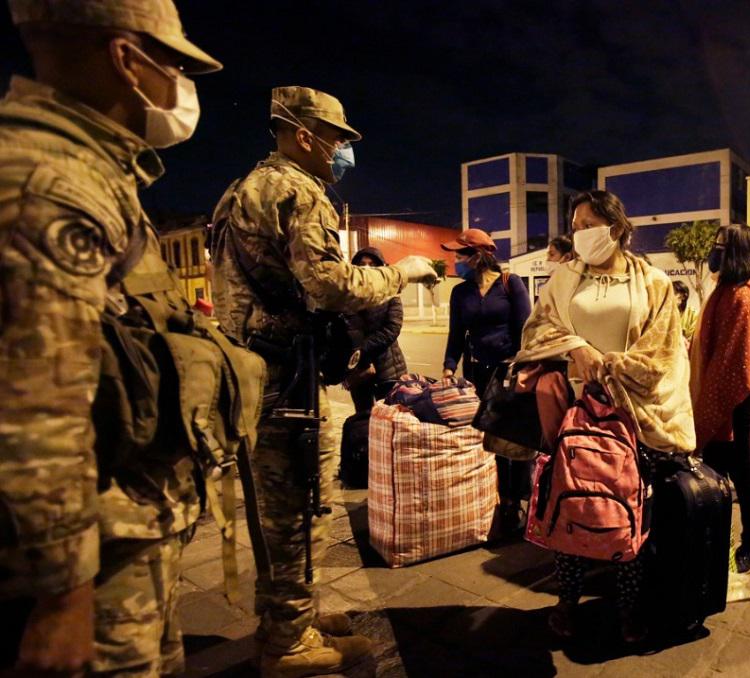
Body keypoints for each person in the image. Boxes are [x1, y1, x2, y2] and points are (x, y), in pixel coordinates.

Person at [0, 2, 258, 675]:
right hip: (98, 555)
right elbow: (35, 409)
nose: (179, 82)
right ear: (126, 60)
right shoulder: (51, 185)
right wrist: (62, 597)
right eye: (173, 62)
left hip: (127, 532)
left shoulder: (88, 173)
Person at [210, 86, 435, 676]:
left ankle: (293, 617)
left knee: (277, 509)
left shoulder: (242, 189)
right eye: (337, 139)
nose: (342, 152)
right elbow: (329, 287)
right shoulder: (298, 191)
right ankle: (289, 644)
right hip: (285, 379)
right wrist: (400, 273)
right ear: (305, 135)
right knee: (299, 507)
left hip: (254, 373)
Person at [515, 189, 695, 644]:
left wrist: (609, 365)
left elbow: (664, 352)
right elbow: (537, 330)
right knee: (573, 502)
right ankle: (568, 603)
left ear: (614, 229)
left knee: (632, 512)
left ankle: (629, 609)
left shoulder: (653, 281)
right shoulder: (563, 278)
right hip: (576, 412)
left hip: (632, 413)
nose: (579, 234)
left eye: (587, 225)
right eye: (574, 226)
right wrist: (576, 347)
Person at [690, 224, 750, 574]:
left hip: (733, 398)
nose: (715, 252)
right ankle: (718, 541)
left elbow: (731, 363)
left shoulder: (742, 295)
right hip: (726, 392)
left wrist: (708, 412)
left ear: (736, 253)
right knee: (727, 471)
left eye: (721, 247)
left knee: (740, 471)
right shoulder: (728, 288)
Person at [440, 228, 532, 531]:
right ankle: (492, 495)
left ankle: (514, 501)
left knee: (512, 439)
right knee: (487, 440)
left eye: (461, 254)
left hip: (507, 374)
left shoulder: (510, 284)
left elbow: (524, 332)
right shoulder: (460, 292)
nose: (456, 260)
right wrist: (449, 368)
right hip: (476, 374)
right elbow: (456, 335)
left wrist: (521, 370)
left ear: (479, 256)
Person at [344, 247, 407, 414]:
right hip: (359, 371)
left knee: (390, 419)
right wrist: (358, 364)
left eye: (372, 264)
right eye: (362, 264)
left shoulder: (391, 294)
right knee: (362, 418)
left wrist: (361, 352)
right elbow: (344, 332)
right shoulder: (348, 298)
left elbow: (392, 329)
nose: (367, 268)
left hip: (389, 371)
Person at [672, 280, 699, 346]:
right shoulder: (663, 313)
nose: (670, 297)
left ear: (683, 296)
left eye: (674, 293)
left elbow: (693, 339)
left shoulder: (693, 314)